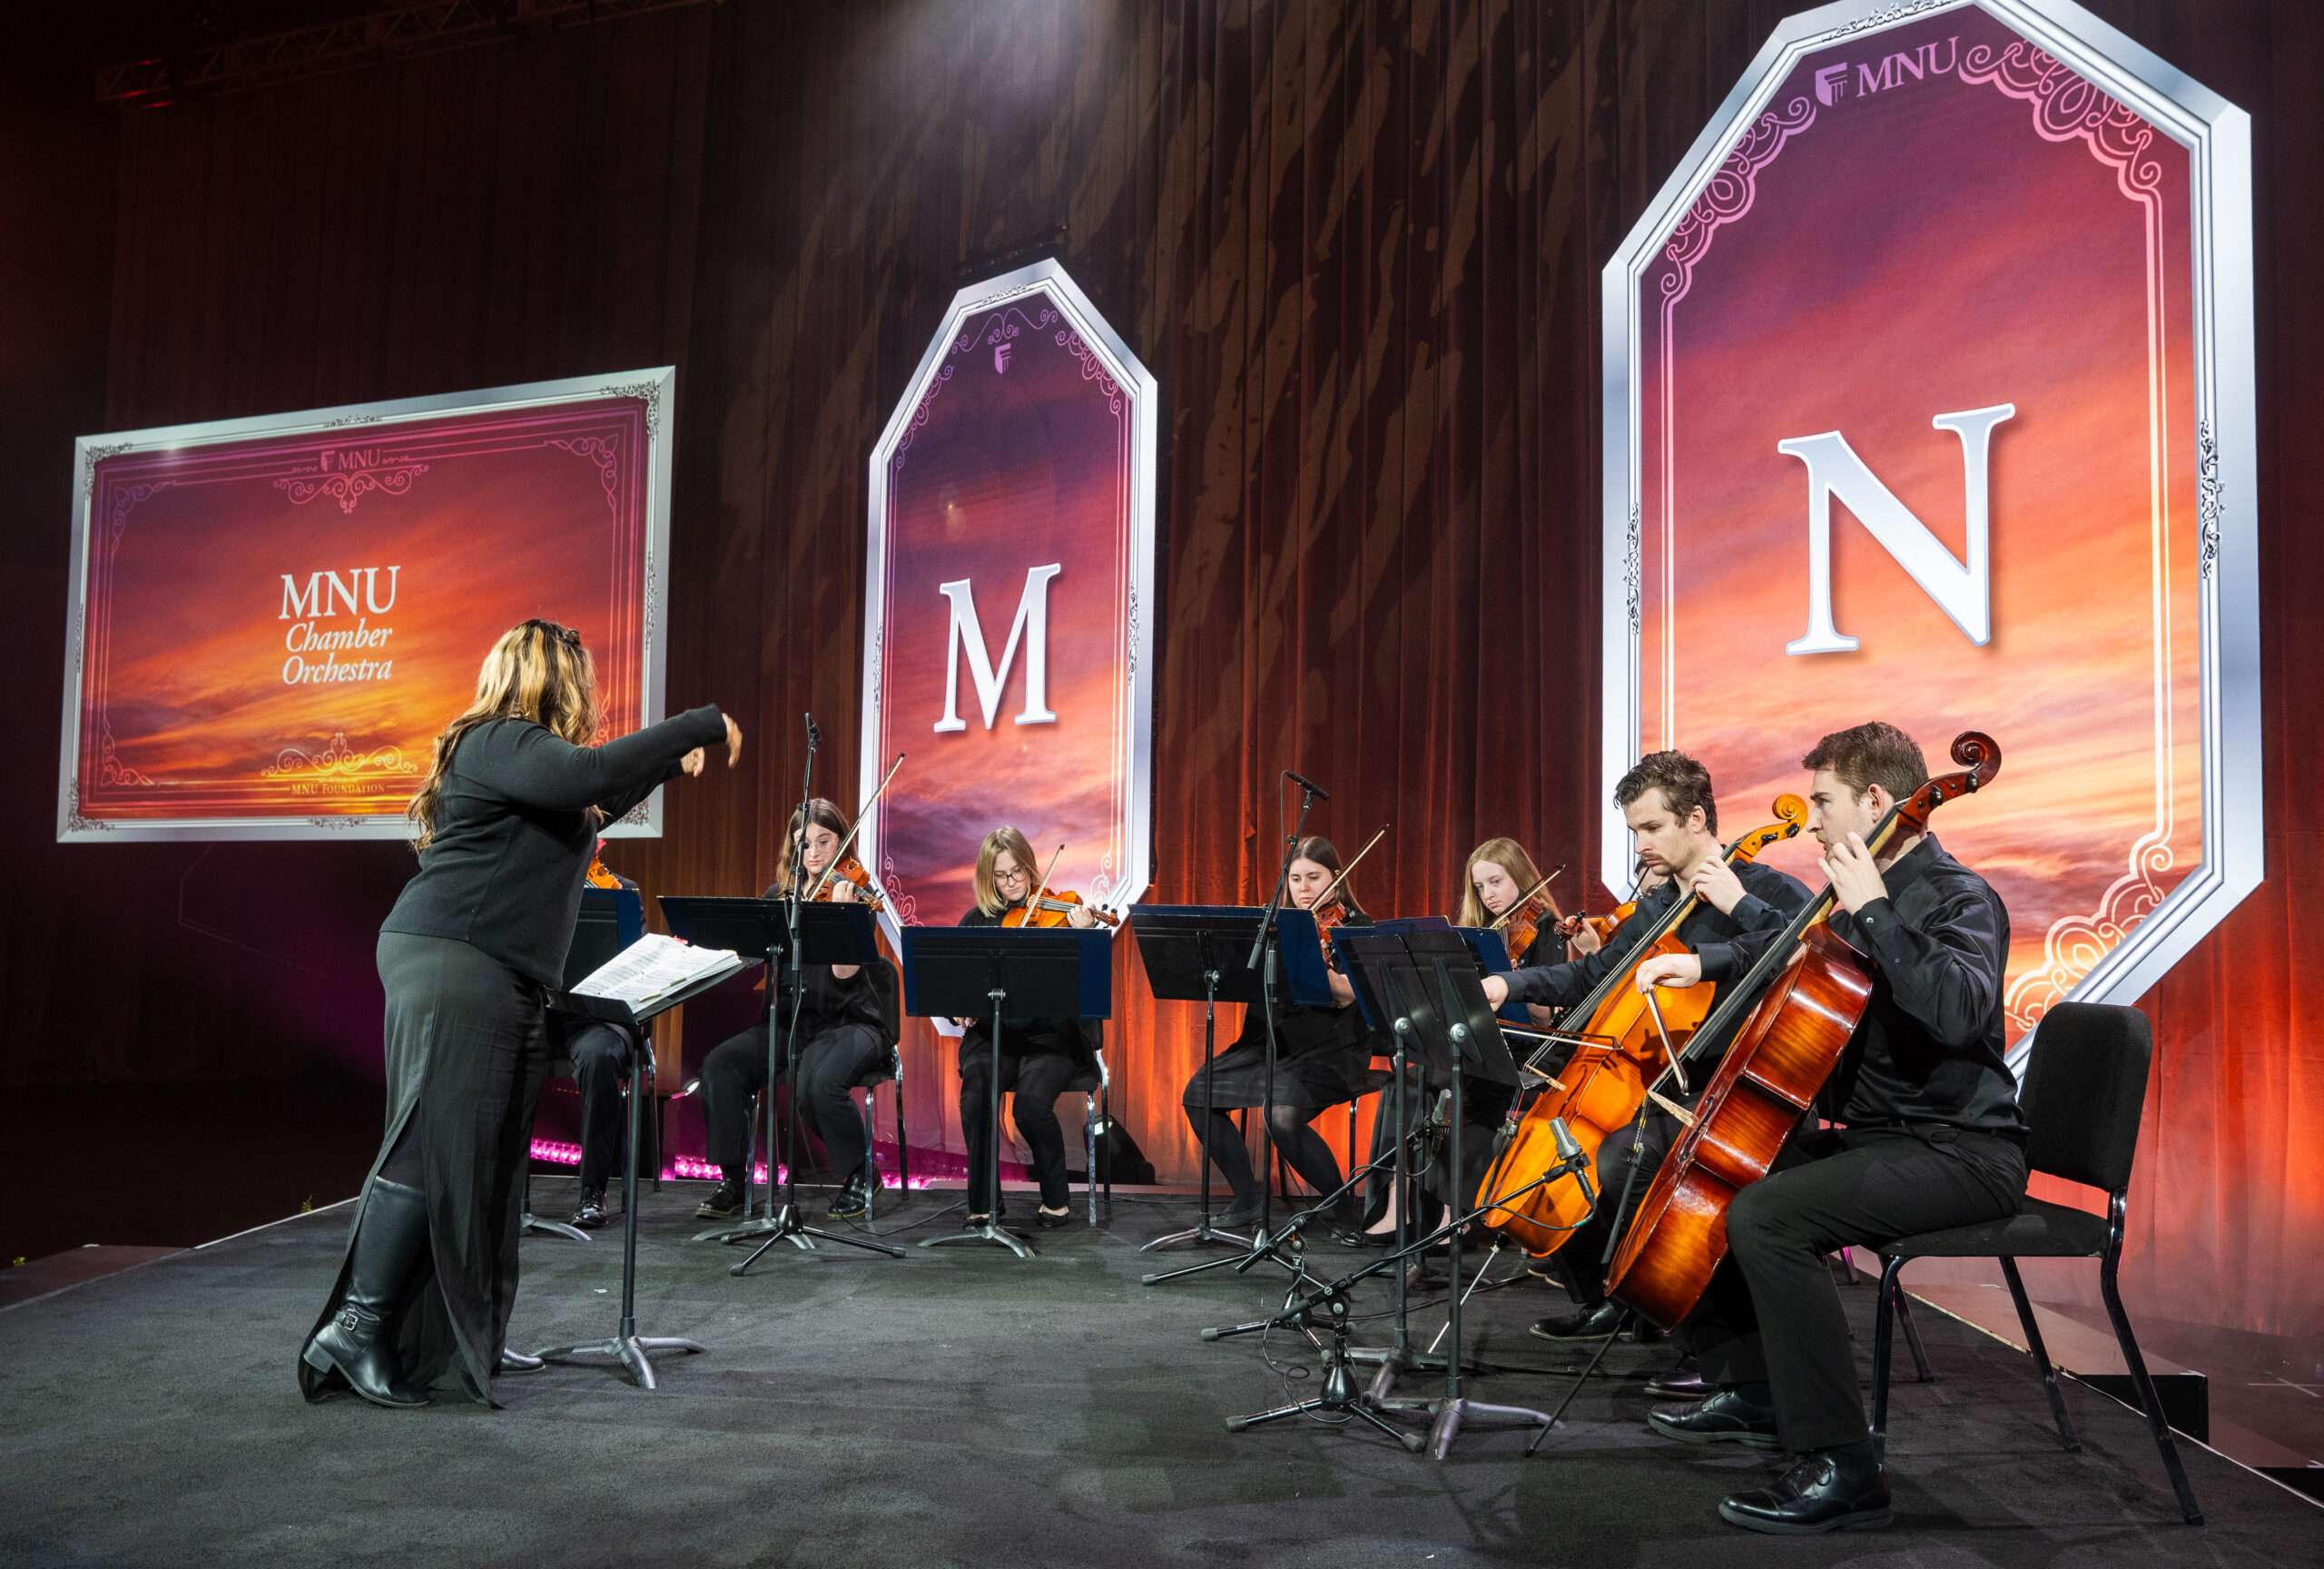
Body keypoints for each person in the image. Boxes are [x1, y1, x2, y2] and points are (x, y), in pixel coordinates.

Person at [299, 620, 736, 1408]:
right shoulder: (496, 739)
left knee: (488, 1163)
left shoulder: (532, 772)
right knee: (434, 1141)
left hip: (493, 970)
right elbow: (592, 773)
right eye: (580, 681)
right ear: (552, 680)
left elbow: (598, 795)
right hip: (453, 956)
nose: (589, 698)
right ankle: (355, 1328)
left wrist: (670, 763)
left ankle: (462, 1336)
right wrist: (700, 723)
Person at [1629, 722, 2024, 1534]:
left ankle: (1846, 1464)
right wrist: (1709, 963)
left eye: (1823, 803)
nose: (1810, 823)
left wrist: (1874, 910)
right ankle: (1754, 1390)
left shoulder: (1959, 896)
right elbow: (1790, 962)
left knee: (1767, 1217)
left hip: (1962, 1149)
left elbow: (1955, 1014)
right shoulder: (1853, 896)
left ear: (1877, 802)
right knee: (1715, 1166)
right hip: (1886, 1138)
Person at [1477, 751, 1811, 1342]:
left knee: (1623, 1157)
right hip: (1663, 1085)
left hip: (1741, 1098)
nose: (1640, 846)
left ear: (1698, 821)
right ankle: (1621, 1296)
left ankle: (1698, 1332)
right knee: (1570, 1152)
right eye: (1635, 831)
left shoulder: (1767, 891)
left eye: (1652, 828)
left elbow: (1805, 961)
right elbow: (1594, 975)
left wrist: (1733, 912)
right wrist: (1511, 982)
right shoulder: (1656, 909)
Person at [694, 799, 900, 1224]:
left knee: (818, 1085)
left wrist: (845, 916)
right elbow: (755, 960)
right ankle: (734, 1180)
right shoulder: (778, 897)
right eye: (804, 844)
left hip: (851, 1021)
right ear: (793, 849)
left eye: (825, 842)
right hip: (788, 1021)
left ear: (842, 842)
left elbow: (845, 975)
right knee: (720, 1065)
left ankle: (863, 1174)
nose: (815, 854)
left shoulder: (854, 894)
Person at [1180, 836, 1375, 1242]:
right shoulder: (1275, 926)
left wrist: (1311, 956)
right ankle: (1247, 1197)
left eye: (1314, 878)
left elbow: (1346, 997)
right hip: (1270, 1042)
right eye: (1295, 878)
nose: (1303, 888)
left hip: (1332, 1048)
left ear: (1336, 880)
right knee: (1198, 1093)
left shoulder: (1356, 928)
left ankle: (1344, 1210)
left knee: (1280, 1116)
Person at [952, 828, 1101, 1229]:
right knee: (975, 1098)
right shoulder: (976, 921)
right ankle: (983, 1203)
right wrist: (958, 1009)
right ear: (988, 878)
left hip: (1052, 1036)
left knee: (1030, 1106)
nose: (1012, 882)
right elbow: (953, 987)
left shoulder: (1060, 914)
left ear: (1030, 866)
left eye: (1018, 871)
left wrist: (1084, 938)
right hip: (994, 1033)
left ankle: (1055, 1197)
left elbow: (1088, 988)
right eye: (1001, 876)